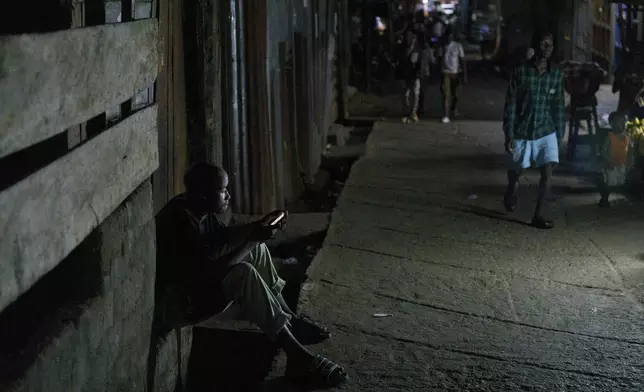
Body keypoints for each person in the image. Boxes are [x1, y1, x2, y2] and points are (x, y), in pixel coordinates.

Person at [155, 162, 349, 387]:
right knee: (243, 273)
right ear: (204, 197)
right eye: (222, 190)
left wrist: (257, 227)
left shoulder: (195, 207)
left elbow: (222, 237)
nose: (228, 195)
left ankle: (289, 320)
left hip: (196, 289)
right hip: (178, 305)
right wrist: (254, 237)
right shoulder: (180, 221)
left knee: (257, 249)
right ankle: (298, 357)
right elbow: (210, 273)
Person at [502, 30, 565, 229]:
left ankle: (538, 214)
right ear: (535, 45)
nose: (547, 49)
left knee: (547, 172)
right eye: (543, 44)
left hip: (546, 130)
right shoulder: (521, 71)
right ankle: (512, 187)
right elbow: (511, 103)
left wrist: (559, 135)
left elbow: (558, 106)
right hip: (522, 130)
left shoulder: (556, 75)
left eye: (550, 45)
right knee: (516, 171)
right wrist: (509, 132)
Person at [598, 112, 631, 207]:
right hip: (611, 165)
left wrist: (630, 161)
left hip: (623, 165)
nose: (621, 125)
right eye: (618, 122)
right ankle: (604, 199)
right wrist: (608, 161)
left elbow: (630, 150)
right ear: (611, 124)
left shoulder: (627, 137)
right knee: (607, 182)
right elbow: (603, 151)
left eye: (623, 122)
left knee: (623, 182)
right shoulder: (610, 137)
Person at [401, 12, 427, 124]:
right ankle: (407, 112)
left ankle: (413, 112)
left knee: (416, 92)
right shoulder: (405, 48)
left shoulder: (418, 49)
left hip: (415, 73)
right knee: (406, 94)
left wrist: (421, 71)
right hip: (407, 73)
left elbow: (421, 60)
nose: (410, 38)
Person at [441, 32, 466, 124]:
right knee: (446, 95)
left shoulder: (457, 46)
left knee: (455, 94)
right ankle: (446, 115)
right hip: (445, 73)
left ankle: (453, 108)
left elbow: (462, 60)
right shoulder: (443, 47)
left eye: (450, 37)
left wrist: (464, 75)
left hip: (455, 73)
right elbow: (439, 58)